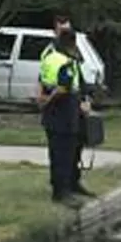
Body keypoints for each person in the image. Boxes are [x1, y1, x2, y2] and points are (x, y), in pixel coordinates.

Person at [38, 30, 90, 206]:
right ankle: (62, 193)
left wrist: (42, 101)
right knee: (64, 155)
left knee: (59, 153)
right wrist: (48, 101)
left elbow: (42, 81)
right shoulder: (65, 62)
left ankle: (65, 187)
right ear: (71, 44)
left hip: (55, 115)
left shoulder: (49, 57)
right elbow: (63, 88)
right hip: (64, 113)